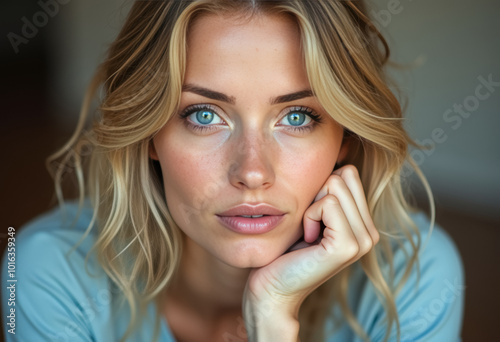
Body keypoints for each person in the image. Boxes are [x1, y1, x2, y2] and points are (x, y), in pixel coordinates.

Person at [1, 0, 465, 341]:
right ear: (149, 134)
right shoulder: (48, 275)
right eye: (204, 115)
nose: (253, 172)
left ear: (346, 138)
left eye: (297, 117)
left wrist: (272, 317)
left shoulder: (415, 276)